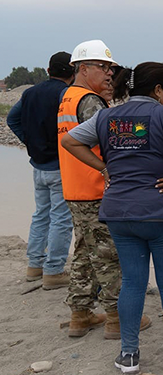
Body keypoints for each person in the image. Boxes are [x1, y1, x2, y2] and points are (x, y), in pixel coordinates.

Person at [62, 62, 163, 374]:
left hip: (118, 212)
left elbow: (70, 141)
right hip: (162, 211)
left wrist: (104, 168)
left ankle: (128, 354)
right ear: (158, 90)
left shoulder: (106, 116)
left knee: (131, 280)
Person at [57, 39, 150, 339]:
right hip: (95, 189)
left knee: (84, 252)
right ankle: (117, 319)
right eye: (103, 67)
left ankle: (80, 315)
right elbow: (112, 140)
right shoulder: (89, 101)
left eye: (110, 68)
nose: (110, 73)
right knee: (108, 256)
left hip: (75, 188)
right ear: (83, 69)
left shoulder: (68, 97)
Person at [6, 51, 74, 289]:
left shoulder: (30, 93)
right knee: (62, 219)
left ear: (48, 71)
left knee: (41, 215)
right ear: (74, 71)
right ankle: (54, 270)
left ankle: (35, 266)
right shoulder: (67, 95)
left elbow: (11, 120)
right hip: (61, 165)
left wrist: (30, 141)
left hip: (39, 165)